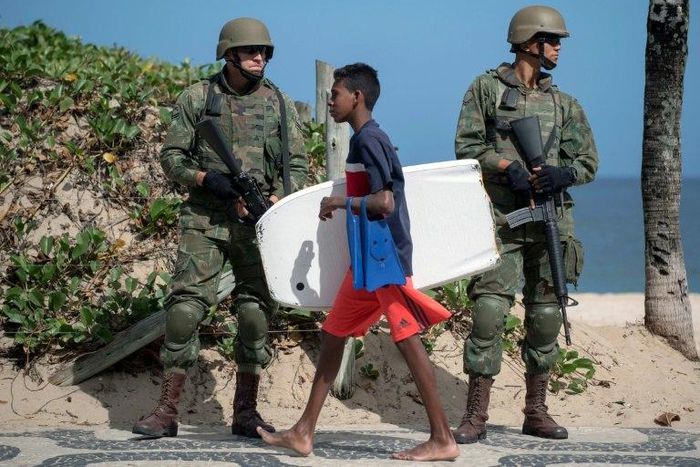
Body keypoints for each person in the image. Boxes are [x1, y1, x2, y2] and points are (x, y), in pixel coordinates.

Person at [257, 63, 460, 462]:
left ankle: (442, 438)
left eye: (335, 95)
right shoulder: (364, 139)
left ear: (357, 97)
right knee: (334, 333)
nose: (329, 101)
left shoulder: (370, 140)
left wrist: (339, 202)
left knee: (409, 343)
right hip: (366, 263)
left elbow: (385, 202)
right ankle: (303, 432)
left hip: (384, 259)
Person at [132, 17, 308, 439]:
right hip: (205, 220)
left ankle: (246, 413)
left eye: (264, 52)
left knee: (253, 317)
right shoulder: (198, 98)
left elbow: (297, 165)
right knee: (184, 312)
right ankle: (167, 412)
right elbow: (172, 157)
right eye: (250, 51)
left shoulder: (279, 103)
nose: (259, 58)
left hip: (256, 225)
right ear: (228, 54)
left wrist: (280, 203)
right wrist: (206, 180)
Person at [453, 5, 598, 443]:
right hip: (503, 220)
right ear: (529, 42)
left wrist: (564, 175)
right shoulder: (485, 89)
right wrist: (504, 166)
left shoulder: (564, 103)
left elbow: (588, 161)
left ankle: (536, 411)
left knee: (546, 317)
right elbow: (466, 147)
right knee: (488, 313)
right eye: (552, 40)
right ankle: (476, 414)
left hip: (551, 221)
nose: (558, 48)